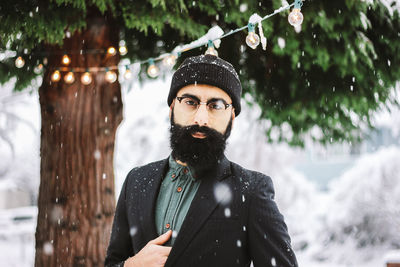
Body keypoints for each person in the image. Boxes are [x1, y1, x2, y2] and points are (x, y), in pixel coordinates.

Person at [105, 54, 298, 267]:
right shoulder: (136, 180)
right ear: (172, 109)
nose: (201, 118)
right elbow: (113, 261)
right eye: (190, 102)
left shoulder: (251, 191)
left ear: (231, 118)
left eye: (215, 105)